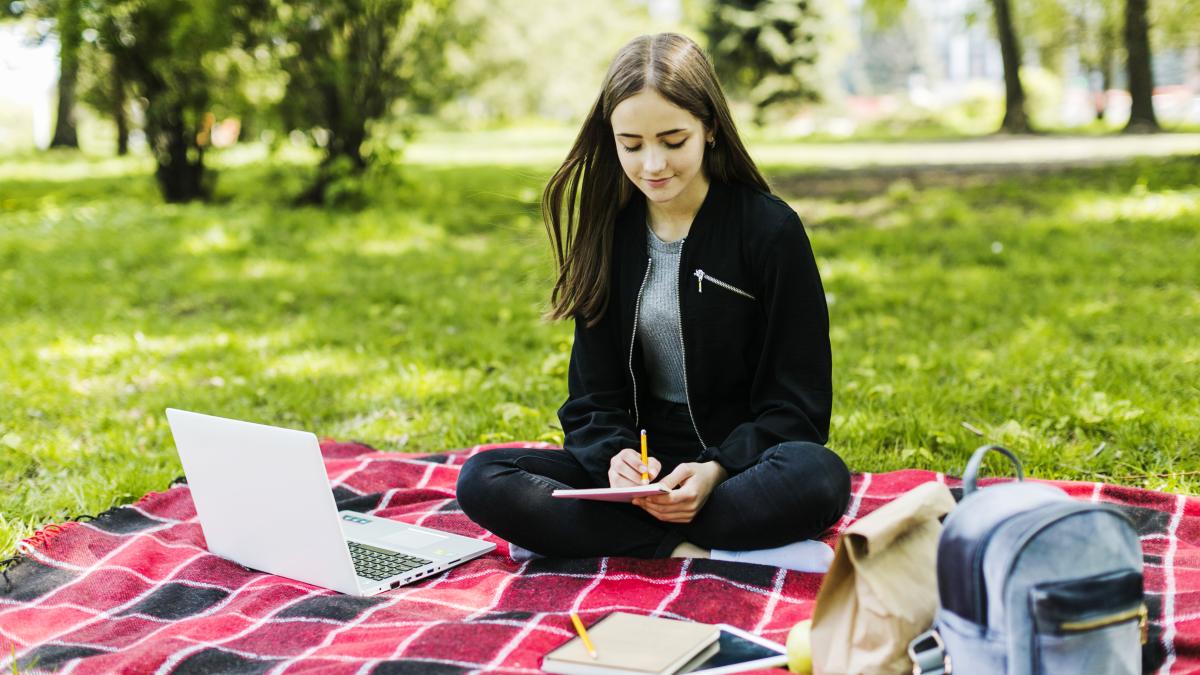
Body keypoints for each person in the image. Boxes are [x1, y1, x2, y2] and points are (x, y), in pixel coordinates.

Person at [456, 32, 850, 571]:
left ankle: (616, 539)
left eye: (672, 139)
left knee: (820, 478)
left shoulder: (770, 231)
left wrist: (715, 470)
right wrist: (613, 459)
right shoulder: (608, 233)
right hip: (639, 474)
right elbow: (591, 398)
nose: (652, 165)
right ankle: (692, 550)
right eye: (632, 144)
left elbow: (798, 406)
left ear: (709, 128)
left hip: (739, 470)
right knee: (483, 480)